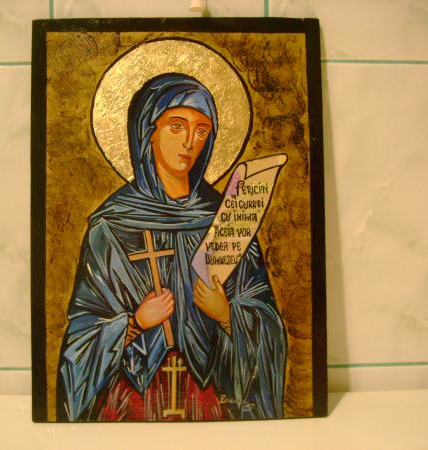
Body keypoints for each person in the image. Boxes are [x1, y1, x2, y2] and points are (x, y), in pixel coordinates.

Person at [57, 73, 286, 421]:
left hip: (211, 400)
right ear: (148, 131)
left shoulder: (226, 219)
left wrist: (227, 315)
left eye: (202, 130)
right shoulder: (112, 227)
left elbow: (266, 318)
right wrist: (135, 323)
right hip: (132, 400)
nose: (190, 142)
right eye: (177, 126)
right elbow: (82, 337)